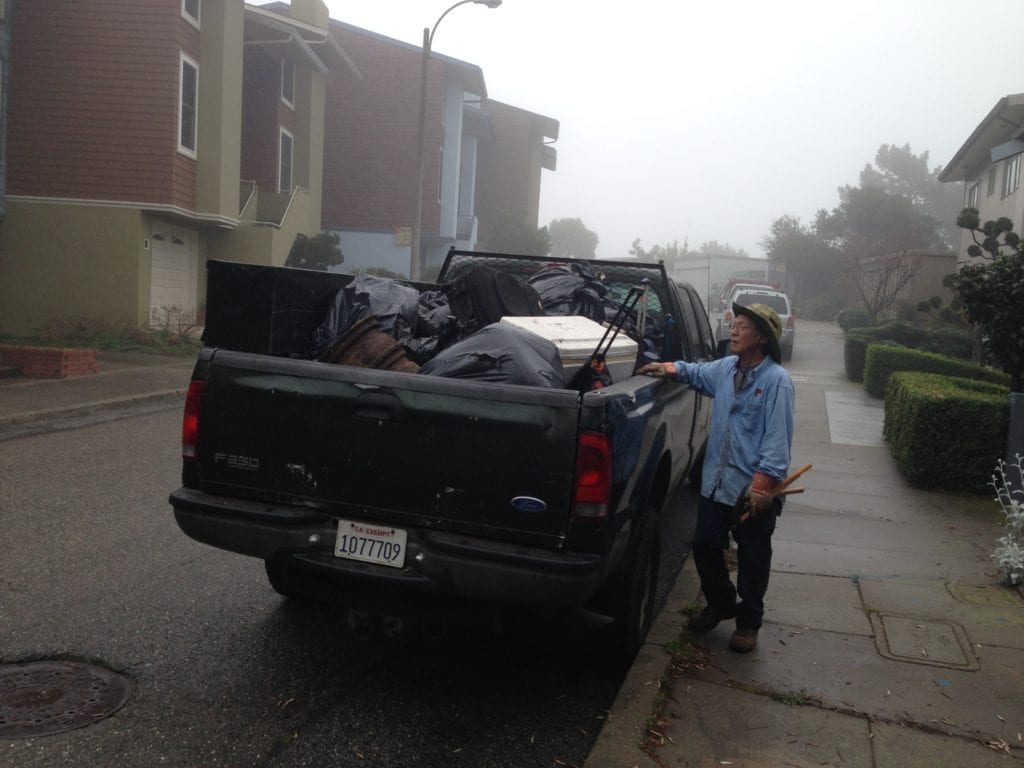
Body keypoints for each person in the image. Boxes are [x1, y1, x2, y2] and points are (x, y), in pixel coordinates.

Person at [637, 303, 795, 653]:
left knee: (754, 559)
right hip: (716, 484)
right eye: (734, 325)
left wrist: (762, 486)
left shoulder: (776, 383)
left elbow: (777, 442)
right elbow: (695, 372)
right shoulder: (725, 369)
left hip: (752, 490)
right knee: (706, 546)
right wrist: (668, 367)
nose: (734, 331)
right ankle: (722, 603)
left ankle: (749, 622)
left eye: (742, 327)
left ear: (763, 338)